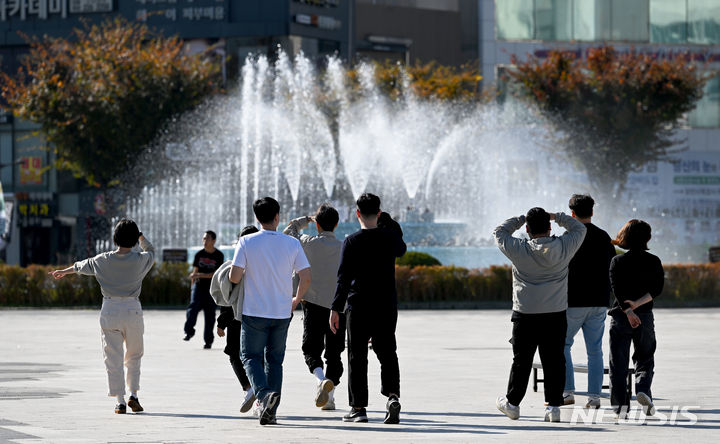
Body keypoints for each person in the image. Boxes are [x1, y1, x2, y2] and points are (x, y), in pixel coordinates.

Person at [49, 219, 155, 414]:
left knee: (113, 357)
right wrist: (140, 236)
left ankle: (120, 401)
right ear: (134, 238)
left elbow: (81, 266)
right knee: (134, 354)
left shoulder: (102, 260)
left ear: (115, 238)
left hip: (110, 309)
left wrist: (63, 271)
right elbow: (151, 250)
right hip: (132, 309)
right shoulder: (141, 260)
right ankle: (134, 395)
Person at [493, 208, 586, 422]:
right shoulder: (564, 247)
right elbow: (579, 227)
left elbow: (499, 231)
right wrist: (557, 216)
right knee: (554, 360)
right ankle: (553, 407)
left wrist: (520, 219)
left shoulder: (518, 249)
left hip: (525, 314)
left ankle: (513, 403)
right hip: (555, 313)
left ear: (527, 229)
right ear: (550, 227)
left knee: (521, 361)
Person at [229, 197, 312, 425]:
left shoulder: (246, 241)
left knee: (250, 356)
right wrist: (296, 299)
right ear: (277, 217)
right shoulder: (292, 243)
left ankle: (264, 395)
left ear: (257, 218)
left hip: (254, 311)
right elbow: (306, 277)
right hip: (282, 312)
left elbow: (234, 276)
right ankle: (270, 412)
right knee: (275, 361)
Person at [330, 193, 407, 424]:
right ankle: (392, 397)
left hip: (358, 304)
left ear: (357, 213)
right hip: (385, 305)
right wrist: (390, 224)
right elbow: (401, 248)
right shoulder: (390, 238)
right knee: (387, 352)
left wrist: (335, 308)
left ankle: (358, 408)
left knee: (357, 356)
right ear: (379, 213)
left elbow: (343, 278)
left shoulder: (352, 241)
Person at [283, 204, 344, 411]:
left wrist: (306, 219)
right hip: (338, 308)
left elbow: (288, 232)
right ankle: (330, 396)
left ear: (317, 224)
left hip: (313, 305)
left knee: (311, 348)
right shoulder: (344, 247)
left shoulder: (307, 242)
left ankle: (320, 380)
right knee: (335, 353)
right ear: (336, 225)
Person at [563, 194, 616, 409]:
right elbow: (613, 268)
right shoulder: (604, 237)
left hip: (573, 301)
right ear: (592, 212)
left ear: (572, 213)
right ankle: (594, 397)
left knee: (563, 345)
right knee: (595, 351)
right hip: (599, 301)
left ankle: (567, 392)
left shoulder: (569, 237)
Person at [608, 219, 664, 418]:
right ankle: (642, 388)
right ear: (647, 238)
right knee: (645, 356)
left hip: (621, 317)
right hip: (645, 317)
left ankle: (620, 408)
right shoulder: (654, 261)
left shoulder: (617, 261)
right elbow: (656, 289)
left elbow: (617, 290)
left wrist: (629, 311)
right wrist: (637, 306)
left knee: (619, 362)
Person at [216, 225, 259, 415]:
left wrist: (221, 322)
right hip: (261, 316)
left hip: (237, 318)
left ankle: (249, 388)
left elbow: (228, 298)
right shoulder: (264, 266)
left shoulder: (234, 266)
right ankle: (261, 397)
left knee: (235, 354)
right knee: (259, 357)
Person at [184, 230, 224, 349]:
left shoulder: (219, 255)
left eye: (207, 239)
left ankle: (208, 341)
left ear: (214, 241)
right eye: (203, 239)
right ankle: (189, 331)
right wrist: (192, 287)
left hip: (212, 289)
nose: (204, 241)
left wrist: (198, 275)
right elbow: (195, 272)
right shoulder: (199, 254)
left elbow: (215, 274)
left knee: (210, 315)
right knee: (192, 308)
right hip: (198, 287)